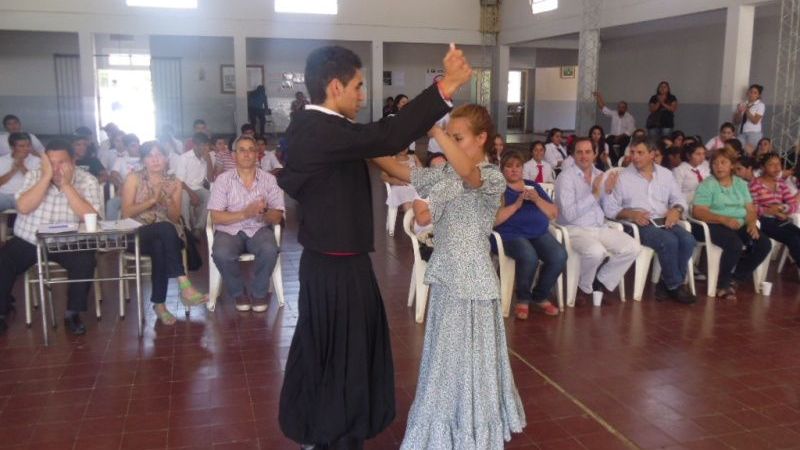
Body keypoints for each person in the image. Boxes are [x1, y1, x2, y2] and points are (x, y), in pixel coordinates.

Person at [277, 44, 470, 449]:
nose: (363, 94)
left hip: (336, 263)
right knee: (341, 356)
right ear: (335, 86)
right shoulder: (321, 130)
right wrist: (446, 85)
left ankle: (330, 429)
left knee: (336, 352)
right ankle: (334, 434)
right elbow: (388, 133)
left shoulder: (316, 129)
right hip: (335, 268)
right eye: (359, 86)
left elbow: (377, 144)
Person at [376, 105, 526, 449]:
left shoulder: (491, 175)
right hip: (447, 276)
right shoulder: (445, 175)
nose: (450, 144)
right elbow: (401, 172)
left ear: (482, 138)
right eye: (451, 137)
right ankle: (445, 423)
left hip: (473, 281)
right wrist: (365, 145)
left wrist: (436, 130)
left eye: (458, 138)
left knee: (469, 360)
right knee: (443, 358)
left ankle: (471, 429)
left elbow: (469, 176)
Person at [0, 140, 101, 335]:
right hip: (31, 240)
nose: (56, 168)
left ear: (73, 161)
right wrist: (45, 178)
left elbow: (91, 216)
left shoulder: (87, 180)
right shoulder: (34, 175)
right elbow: (23, 207)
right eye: (50, 162)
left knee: (86, 260)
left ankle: (72, 314)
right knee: (4, 260)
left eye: (61, 162)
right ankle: (1, 312)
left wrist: (66, 185)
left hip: (70, 242)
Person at [120, 141, 208, 325]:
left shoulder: (174, 182)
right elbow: (126, 213)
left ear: (167, 159)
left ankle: (159, 305)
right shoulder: (133, 178)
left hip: (165, 237)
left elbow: (175, 218)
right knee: (165, 230)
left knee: (161, 241)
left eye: (159, 155)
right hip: (135, 234)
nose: (155, 159)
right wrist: (153, 199)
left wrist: (167, 199)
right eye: (150, 156)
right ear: (143, 160)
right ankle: (185, 285)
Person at [604, 140, 696, 304]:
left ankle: (666, 283)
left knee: (688, 240)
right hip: (638, 223)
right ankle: (675, 286)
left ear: (652, 154)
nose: (634, 157)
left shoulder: (666, 174)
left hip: (664, 219)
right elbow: (610, 210)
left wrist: (676, 210)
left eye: (640, 153)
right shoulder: (622, 177)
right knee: (669, 241)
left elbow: (679, 198)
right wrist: (631, 213)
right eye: (632, 153)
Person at [556, 138, 639, 301]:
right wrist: (594, 194)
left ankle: (600, 281)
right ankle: (584, 287)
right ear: (572, 155)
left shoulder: (600, 175)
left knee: (633, 247)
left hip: (600, 227)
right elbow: (569, 214)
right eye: (579, 152)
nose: (584, 156)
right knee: (596, 252)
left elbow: (608, 211)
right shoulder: (565, 178)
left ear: (595, 154)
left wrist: (608, 192)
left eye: (588, 152)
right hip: (574, 229)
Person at [208, 135, 284, 312]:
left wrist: (264, 212)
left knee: (270, 249)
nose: (247, 154)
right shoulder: (223, 180)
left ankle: (259, 294)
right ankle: (239, 292)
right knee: (221, 252)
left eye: (251, 150)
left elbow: (278, 217)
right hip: (229, 231)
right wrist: (245, 213)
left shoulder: (269, 180)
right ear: (234, 155)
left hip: (258, 228)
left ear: (257, 154)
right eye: (242, 150)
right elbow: (216, 217)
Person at [691, 147, 771, 300]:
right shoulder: (707, 185)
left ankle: (736, 278)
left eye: (723, 162)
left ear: (732, 165)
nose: (719, 166)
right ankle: (723, 285)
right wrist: (723, 219)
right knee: (734, 244)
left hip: (738, 223)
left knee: (763, 244)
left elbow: (750, 209)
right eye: (715, 163)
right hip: (711, 223)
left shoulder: (740, 183)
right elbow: (698, 211)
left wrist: (752, 223)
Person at [495, 150, 565, 318]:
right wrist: (516, 206)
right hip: (510, 235)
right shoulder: (499, 189)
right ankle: (523, 299)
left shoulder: (532, 186)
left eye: (518, 166)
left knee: (559, 256)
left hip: (537, 233)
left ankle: (540, 296)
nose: (514, 170)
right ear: (502, 169)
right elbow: (494, 221)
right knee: (529, 256)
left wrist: (537, 199)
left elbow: (553, 213)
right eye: (509, 166)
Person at [749, 152, 800, 266]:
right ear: (763, 167)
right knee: (792, 238)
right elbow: (751, 207)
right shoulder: (755, 184)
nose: (777, 167)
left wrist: (782, 208)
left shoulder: (780, 183)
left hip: (779, 219)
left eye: (778, 164)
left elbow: (793, 204)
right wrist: (767, 211)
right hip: (762, 221)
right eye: (771, 165)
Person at [175, 133, 214, 235]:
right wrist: (192, 194)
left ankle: (198, 228)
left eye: (207, 145)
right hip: (185, 188)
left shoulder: (205, 158)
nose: (206, 148)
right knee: (184, 197)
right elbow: (180, 181)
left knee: (209, 195)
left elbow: (210, 179)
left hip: (198, 188)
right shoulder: (184, 158)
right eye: (203, 146)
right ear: (195, 146)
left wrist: (208, 160)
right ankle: (186, 228)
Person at [0, 132, 41, 211]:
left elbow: (37, 183)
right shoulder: (1, 160)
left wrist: (22, 167)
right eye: (21, 146)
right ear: (12, 147)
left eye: (28, 145)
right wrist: (13, 171)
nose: (26, 148)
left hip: (26, 196)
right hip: (4, 195)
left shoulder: (37, 161)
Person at [594, 91, 635, 160]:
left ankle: (620, 160)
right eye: (619, 107)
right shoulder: (614, 114)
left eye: (622, 107)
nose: (620, 109)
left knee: (624, 143)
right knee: (606, 141)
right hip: (613, 136)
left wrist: (619, 137)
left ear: (626, 109)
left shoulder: (629, 117)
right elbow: (603, 108)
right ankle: (614, 159)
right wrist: (598, 97)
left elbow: (630, 131)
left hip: (624, 137)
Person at [381, 148, 419, 213]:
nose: (403, 148)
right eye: (401, 146)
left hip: (413, 185)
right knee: (406, 196)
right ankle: (410, 221)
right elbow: (383, 176)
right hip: (398, 186)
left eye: (405, 146)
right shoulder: (391, 159)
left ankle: (417, 220)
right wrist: (395, 181)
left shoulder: (413, 157)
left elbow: (422, 172)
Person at [735, 84, 766, 152]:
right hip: (741, 132)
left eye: (755, 93)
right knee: (739, 151)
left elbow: (755, 121)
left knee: (751, 152)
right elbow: (736, 121)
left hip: (753, 133)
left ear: (758, 95)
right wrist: (739, 112)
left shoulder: (760, 105)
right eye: (751, 92)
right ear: (747, 92)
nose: (752, 94)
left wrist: (746, 110)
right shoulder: (742, 104)